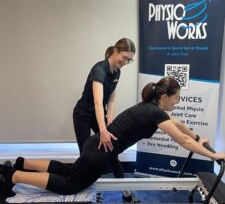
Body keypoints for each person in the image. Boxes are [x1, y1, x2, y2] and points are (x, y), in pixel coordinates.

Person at [1, 77, 225, 196]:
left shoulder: (150, 107)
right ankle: (14, 175)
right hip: (100, 154)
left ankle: (22, 162)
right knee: (70, 184)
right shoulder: (155, 112)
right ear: (165, 97)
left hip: (94, 143)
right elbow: (181, 141)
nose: (178, 102)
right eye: (177, 98)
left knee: (71, 171)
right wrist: (211, 154)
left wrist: (197, 136)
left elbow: (179, 127)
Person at [73, 38, 139, 203]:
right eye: (125, 58)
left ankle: (125, 191)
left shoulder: (117, 71)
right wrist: (102, 131)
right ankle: (89, 190)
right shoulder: (99, 70)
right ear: (115, 51)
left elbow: (111, 100)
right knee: (87, 154)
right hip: (83, 115)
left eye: (129, 60)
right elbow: (97, 102)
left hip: (99, 114)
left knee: (112, 149)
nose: (126, 62)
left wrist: (110, 124)